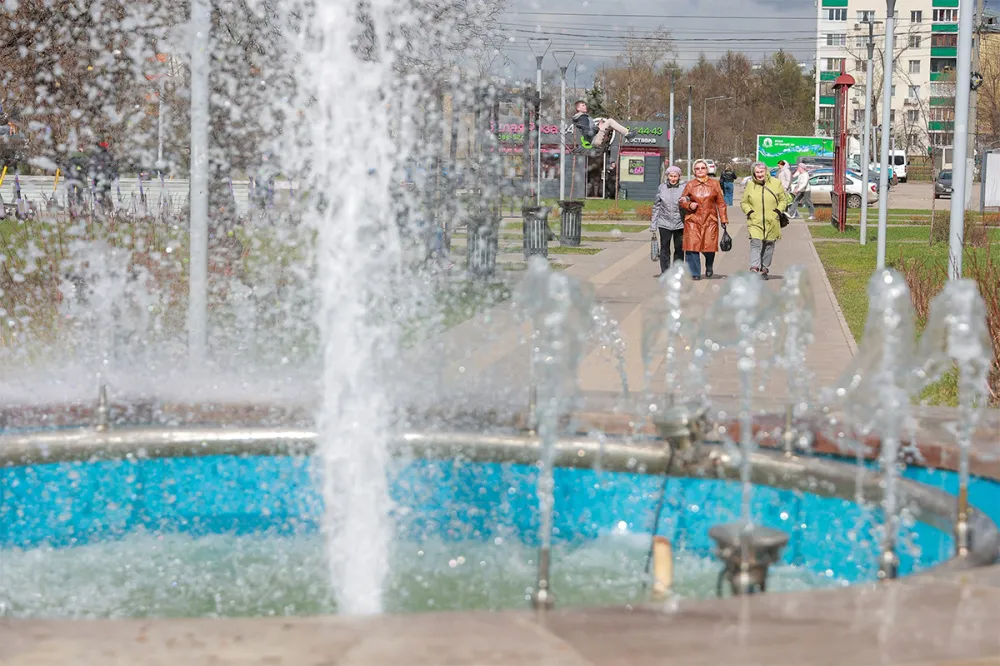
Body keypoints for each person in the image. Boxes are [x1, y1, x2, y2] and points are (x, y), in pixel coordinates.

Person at [679, 159, 728, 280]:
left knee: (709, 246)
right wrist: (689, 205)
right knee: (692, 247)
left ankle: (709, 264)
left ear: (707, 169)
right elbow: (682, 201)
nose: (700, 170)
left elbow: (721, 203)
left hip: (710, 220)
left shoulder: (714, 184)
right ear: (694, 171)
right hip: (693, 220)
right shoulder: (690, 185)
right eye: (697, 168)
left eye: (702, 168)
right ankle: (694, 273)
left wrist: (723, 219)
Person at [741, 161, 790, 280]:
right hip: (755, 221)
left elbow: (783, 200)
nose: (759, 174)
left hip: (772, 220)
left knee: (769, 244)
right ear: (753, 173)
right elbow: (744, 202)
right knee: (755, 243)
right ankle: (754, 268)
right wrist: (749, 212)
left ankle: (764, 268)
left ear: (766, 171)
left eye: (761, 172)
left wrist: (778, 211)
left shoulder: (776, 183)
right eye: (757, 172)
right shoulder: (750, 185)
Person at [649, 165, 685, 276]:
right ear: (667, 176)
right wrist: (653, 224)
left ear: (679, 177)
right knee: (665, 247)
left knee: (679, 248)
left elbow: (689, 200)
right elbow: (657, 206)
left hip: (680, 223)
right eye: (671, 176)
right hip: (664, 223)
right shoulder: (662, 187)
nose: (673, 178)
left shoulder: (684, 187)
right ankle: (665, 271)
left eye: (675, 176)